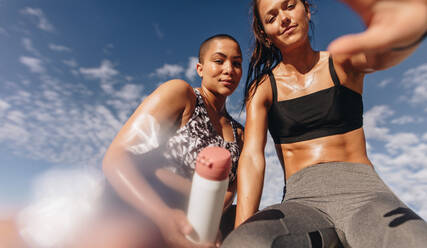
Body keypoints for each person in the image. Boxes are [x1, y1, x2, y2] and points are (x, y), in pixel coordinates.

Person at [222, 0, 427, 247]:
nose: (284, 18)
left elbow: (378, 56)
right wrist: (240, 229)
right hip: (302, 203)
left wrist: (406, 34)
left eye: (289, 6)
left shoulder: (341, 62)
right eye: (271, 17)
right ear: (265, 34)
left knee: (414, 240)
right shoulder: (263, 88)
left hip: (367, 196)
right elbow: (253, 157)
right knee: (248, 242)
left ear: (306, 9)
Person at [102, 34, 244, 248]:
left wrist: (205, 226)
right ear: (200, 68)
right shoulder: (181, 95)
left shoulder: (239, 133)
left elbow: (226, 196)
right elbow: (116, 158)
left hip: (198, 234)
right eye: (218, 60)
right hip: (142, 223)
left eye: (237, 63)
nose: (228, 69)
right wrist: (162, 216)